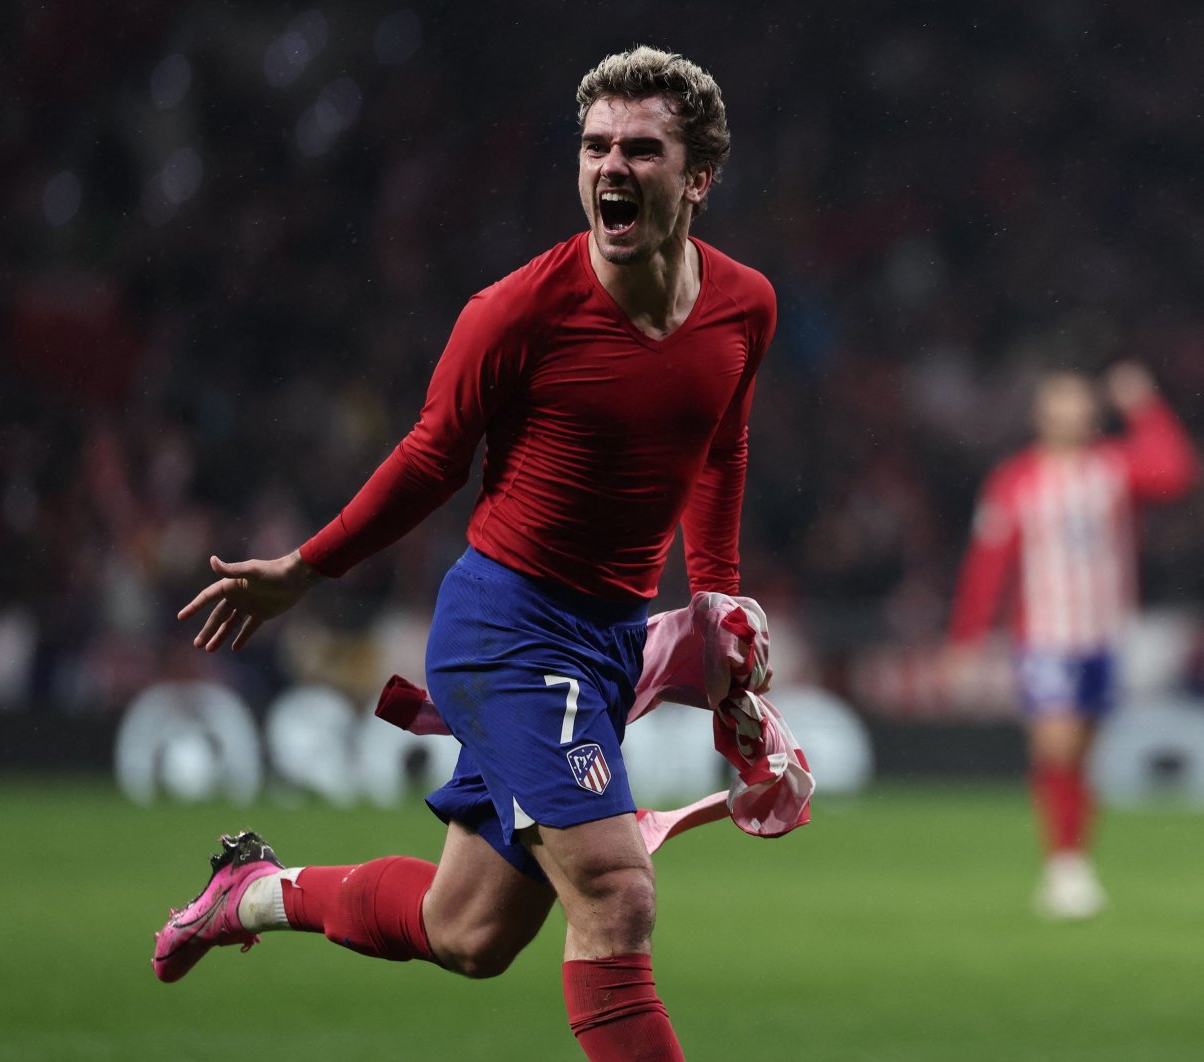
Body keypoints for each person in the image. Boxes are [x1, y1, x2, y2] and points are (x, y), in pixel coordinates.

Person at [152, 47, 775, 1062]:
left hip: (608, 642)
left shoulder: (745, 304)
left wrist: (717, 602)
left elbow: (723, 445)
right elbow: (431, 458)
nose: (610, 166)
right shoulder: (517, 311)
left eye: (640, 149)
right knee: (615, 891)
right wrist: (306, 569)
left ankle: (254, 894)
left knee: (469, 932)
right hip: (511, 630)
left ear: (698, 176)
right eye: (594, 147)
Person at [947, 363, 1197, 919]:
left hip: (1102, 634)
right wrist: (967, 635)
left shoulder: (1112, 467)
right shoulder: (1016, 481)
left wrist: (1145, 405)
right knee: (1054, 744)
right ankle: (1063, 867)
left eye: (1080, 402)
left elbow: (1176, 472)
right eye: (1061, 402)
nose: (1072, 412)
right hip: (1045, 637)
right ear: (1042, 414)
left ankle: (1075, 862)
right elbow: (989, 563)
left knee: (1082, 756)